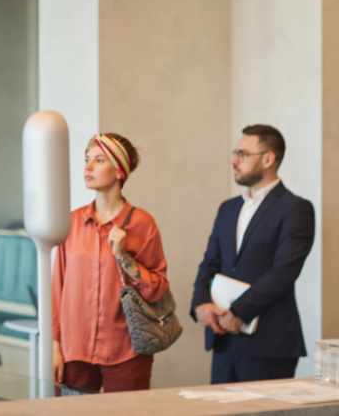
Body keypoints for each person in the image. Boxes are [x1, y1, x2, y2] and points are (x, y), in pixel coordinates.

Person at [190, 124, 315, 384]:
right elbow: (210, 263)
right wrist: (200, 303)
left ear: (268, 159)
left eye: (243, 154)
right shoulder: (228, 208)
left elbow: (284, 273)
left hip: (270, 343)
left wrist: (238, 312)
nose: (234, 161)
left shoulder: (296, 209)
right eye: (235, 153)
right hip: (223, 339)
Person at [51, 133, 169, 393]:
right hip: (75, 350)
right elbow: (57, 288)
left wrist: (123, 257)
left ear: (118, 170)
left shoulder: (142, 224)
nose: (88, 167)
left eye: (99, 160)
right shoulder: (70, 222)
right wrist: (54, 344)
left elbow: (158, 287)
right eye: (87, 160)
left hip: (127, 350)